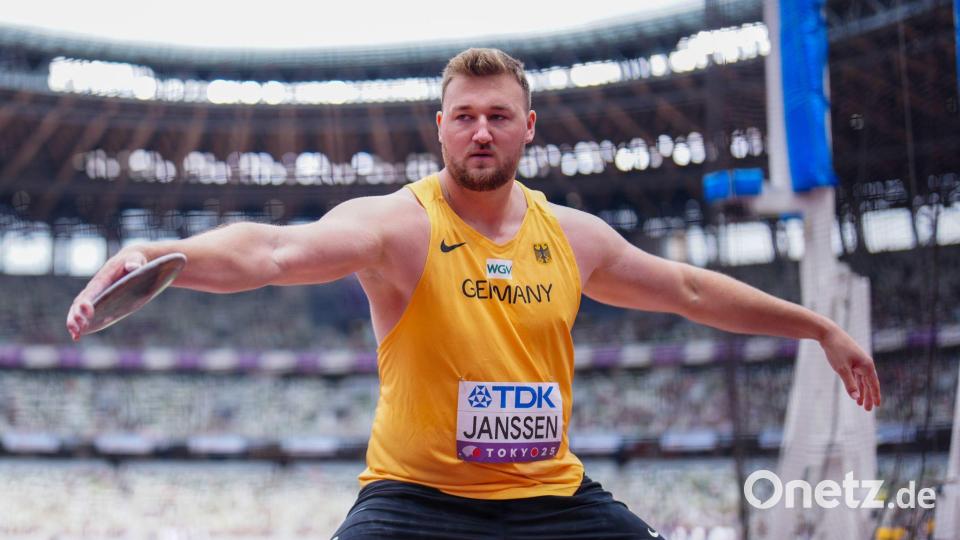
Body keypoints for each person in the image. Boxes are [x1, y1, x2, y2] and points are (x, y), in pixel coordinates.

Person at [66, 48, 881, 539]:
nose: (480, 131)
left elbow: (689, 290)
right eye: (464, 117)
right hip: (416, 502)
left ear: (530, 127)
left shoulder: (574, 236)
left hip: (551, 497)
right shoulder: (399, 227)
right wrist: (160, 253)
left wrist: (818, 328)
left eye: (498, 115)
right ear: (441, 127)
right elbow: (274, 250)